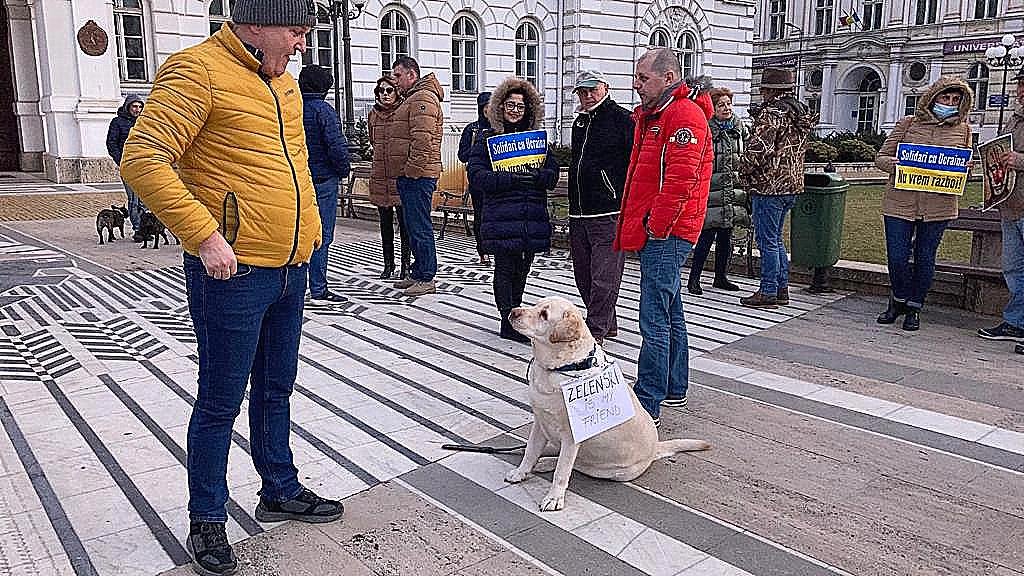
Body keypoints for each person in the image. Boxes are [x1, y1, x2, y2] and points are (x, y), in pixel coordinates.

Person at [119, 2, 344, 573]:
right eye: (294, 31)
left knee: (277, 388)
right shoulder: (197, 70)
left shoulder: (286, 87)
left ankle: (279, 487)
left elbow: (294, 163)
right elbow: (142, 160)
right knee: (221, 400)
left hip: (291, 268)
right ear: (255, 25)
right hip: (233, 272)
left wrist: (311, 234)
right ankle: (208, 519)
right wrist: (203, 235)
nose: (299, 44)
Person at [615, 48, 714, 425]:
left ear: (669, 76)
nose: (636, 85)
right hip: (664, 229)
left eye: (643, 78)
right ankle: (674, 386)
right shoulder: (659, 114)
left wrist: (656, 227)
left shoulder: (683, 115)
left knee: (653, 316)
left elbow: (679, 182)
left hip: (668, 232)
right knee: (671, 309)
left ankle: (648, 402)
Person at [874, 77, 973, 331]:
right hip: (900, 202)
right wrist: (895, 165)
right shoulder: (908, 124)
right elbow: (881, 157)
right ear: (933, 98)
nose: (949, 103)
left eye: (955, 100)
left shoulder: (964, 130)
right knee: (897, 257)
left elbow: (963, 170)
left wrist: (966, 169)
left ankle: (914, 307)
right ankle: (898, 301)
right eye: (945, 98)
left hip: (938, 205)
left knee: (925, 258)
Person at [467, 77, 560, 342]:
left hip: (530, 215)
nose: (515, 111)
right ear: (500, 107)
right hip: (501, 214)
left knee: (523, 267)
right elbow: (477, 176)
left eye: (521, 106)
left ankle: (516, 313)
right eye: (510, 105)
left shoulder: (536, 141)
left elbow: (552, 174)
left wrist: (537, 176)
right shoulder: (487, 139)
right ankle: (507, 317)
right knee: (505, 267)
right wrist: (510, 179)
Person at [738, 67, 815, 309]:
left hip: (769, 186)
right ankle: (781, 288)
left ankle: (768, 291)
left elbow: (759, 149)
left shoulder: (772, 113)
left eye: (762, 89)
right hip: (791, 185)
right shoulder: (799, 113)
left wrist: (742, 168)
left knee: (767, 241)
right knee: (776, 239)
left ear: (769, 90)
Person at [568, 70, 633, 344]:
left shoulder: (622, 119)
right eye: (582, 91)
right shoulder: (579, 122)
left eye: (592, 89)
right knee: (583, 272)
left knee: (604, 274)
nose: (587, 95)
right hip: (578, 209)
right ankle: (609, 321)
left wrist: (619, 193)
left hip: (608, 210)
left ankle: (595, 329)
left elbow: (633, 163)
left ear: (605, 87)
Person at [687, 87, 749, 295]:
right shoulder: (706, 129)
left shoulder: (739, 129)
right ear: (713, 108)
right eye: (721, 104)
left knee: (726, 236)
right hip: (711, 190)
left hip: (731, 190)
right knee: (706, 237)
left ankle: (721, 277)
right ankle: (693, 279)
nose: (727, 108)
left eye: (729, 103)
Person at [390, 56, 444, 297]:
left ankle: (426, 276)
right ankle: (418, 270)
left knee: (420, 226)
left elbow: (423, 140)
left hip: (418, 176)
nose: (395, 80)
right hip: (411, 175)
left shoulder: (423, 98)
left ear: (412, 75)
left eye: (398, 75)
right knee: (413, 226)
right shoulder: (412, 98)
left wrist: (411, 171)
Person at [978, 66, 1024, 344]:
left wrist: (1019, 161)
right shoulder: (1015, 118)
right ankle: (1015, 323)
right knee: (1014, 270)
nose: (1021, 91)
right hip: (1010, 207)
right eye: (1020, 84)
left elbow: (1016, 158)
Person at [300, 64, 350, 301]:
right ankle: (318, 287)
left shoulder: (292, 106)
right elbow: (336, 146)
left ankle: (296, 286)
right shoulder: (324, 111)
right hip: (322, 179)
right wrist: (342, 170)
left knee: (297, 232)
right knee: (322, 234)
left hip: (296, 179)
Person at [369, 75, 411, 280]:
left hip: (399, 175)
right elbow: (372, 139)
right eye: (381, 91)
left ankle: (405, 265)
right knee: (384, 224)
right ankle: (388, 265)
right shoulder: (373, 115)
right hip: (380, 175)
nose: (384, 94)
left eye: (389, 90)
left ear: (397, 92)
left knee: (405, 225)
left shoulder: (403, 113)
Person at [459, 91, 493, 266]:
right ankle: (483, 251)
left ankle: (495, 247)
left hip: (496, 178)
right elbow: (462, 155)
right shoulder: (472, 129)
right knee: (480, 215)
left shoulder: (500, 128)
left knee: (495, 214)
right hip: (478, 180)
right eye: (487, 107)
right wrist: (478, 150)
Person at [106, 93, 146, 233]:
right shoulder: (117, 122)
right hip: (128, 165)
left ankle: (145, 227)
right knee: (134, 199)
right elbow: (112, 144)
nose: (137, 110)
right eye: (134, 106)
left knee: (145, 199)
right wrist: (121, 161)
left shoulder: (143, 122)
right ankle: (137, 229)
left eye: (140, 107)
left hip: (144, 165)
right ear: (128, 106)